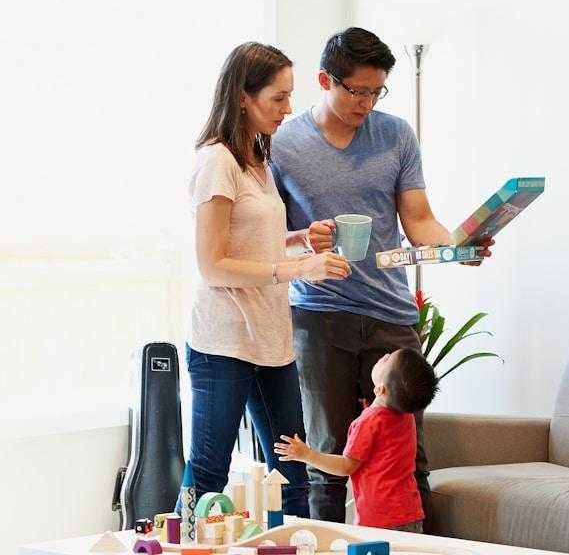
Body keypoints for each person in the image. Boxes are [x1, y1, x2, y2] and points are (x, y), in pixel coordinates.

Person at [270, 27, 493, 523]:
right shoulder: (283, 144)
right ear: (326, 79)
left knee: (408, 460)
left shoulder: (395, 134)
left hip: (391, 317)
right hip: (319, 315)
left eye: (377, 91)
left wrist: (456, 249)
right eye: (357, 91)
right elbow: (266, 235)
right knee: (326, 458)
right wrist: (306, 237)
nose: (367, 103)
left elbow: (418, 219)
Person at [181, 42, 351, 517]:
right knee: (209, 474)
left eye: (289, 96)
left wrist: (300, 240)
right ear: (242, 96)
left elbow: (252, 245)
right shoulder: (216, 161)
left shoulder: (256, 158)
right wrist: (299, 269)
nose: (288, 108)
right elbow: (213, 264)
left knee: (291, 476)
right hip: (225, 342)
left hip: (272, 342)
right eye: (277, 97)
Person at [274, 348, 439, 532]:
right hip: (411, 513)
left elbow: (346, 466)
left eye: (387, 359)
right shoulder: (407, 416)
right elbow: (386, 442)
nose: (384, 355)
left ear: (380, 389)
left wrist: (307, 455)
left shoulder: (367, 423)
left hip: (379, 521)